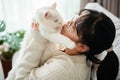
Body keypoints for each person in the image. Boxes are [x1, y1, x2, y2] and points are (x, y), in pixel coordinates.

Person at [7, 9, 119, 80]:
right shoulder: (68, 48)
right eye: (76, 17)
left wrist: (38, 41)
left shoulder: (64, 69)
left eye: (74, 27)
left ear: (82, 47)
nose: (69, 22)